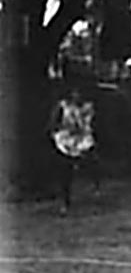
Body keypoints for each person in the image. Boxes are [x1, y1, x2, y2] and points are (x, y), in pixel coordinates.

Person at [47, 86, 101, 215]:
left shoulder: (88, 107)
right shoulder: (63, 106)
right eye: (75, 93)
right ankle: (65, 201)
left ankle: (95, 188)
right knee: (65, 171)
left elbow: (94, 124)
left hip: (84, 139)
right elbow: (53, 123)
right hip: (66, 141)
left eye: (80, 93)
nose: (77, 96)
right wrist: (55, 132)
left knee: (92, 162)